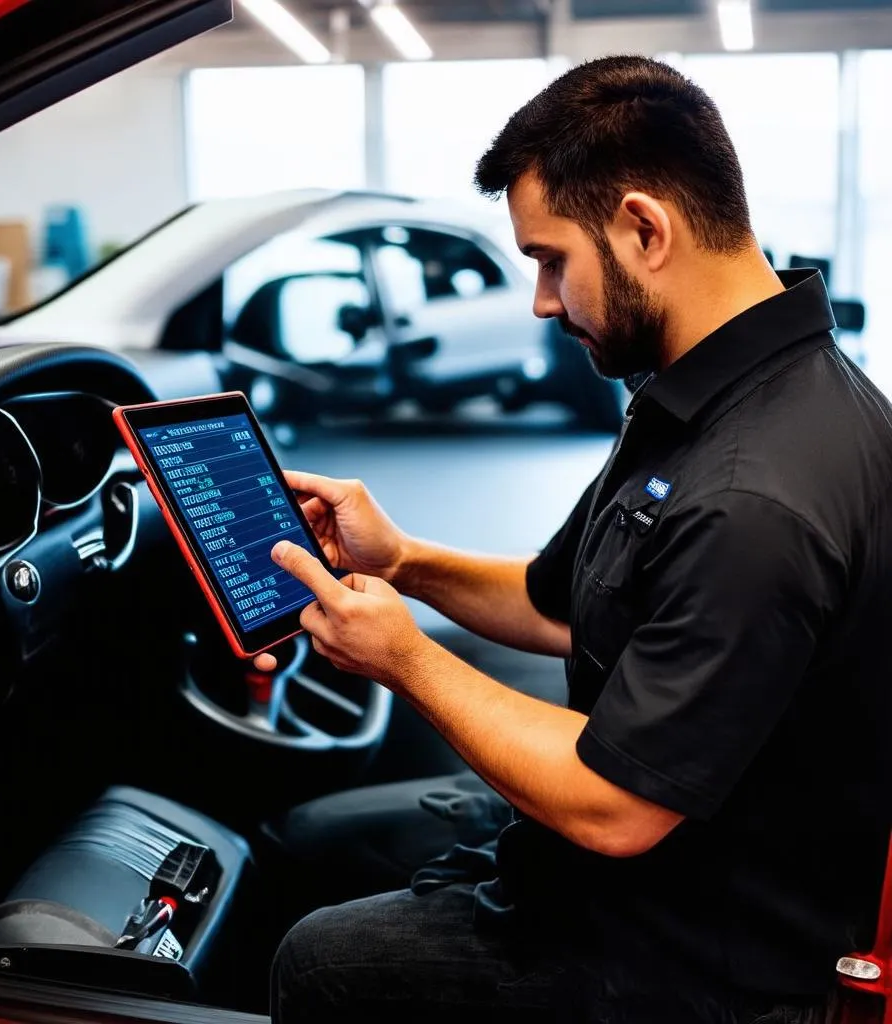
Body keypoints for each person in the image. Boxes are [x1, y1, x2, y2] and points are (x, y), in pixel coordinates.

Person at [258, 55, 892, 1022]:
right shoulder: (707, 396)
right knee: (309, 838)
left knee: (316, 962)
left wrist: (405, 660)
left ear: (644, 228)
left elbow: (614, 807)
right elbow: (563, 604)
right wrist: (404, 563)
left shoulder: (755, 494)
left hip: (698, 958)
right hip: (664, 865)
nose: (542, 302)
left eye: (552, 260)